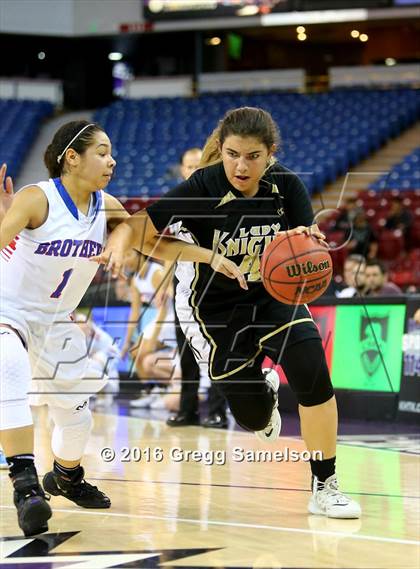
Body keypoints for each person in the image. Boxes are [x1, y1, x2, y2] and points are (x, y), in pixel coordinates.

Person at [94, 107, 361, 519]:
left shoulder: (285, 184)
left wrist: (308, 243)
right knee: (252, 416)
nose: (241, 165)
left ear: (269, 153)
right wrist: (132, 243)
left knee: (313, 374)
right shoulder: (203, 185)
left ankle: (325, 484)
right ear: (221, 150)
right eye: (233, 154)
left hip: (273, 295)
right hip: (214, 307)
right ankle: (262, 393)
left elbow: (310, 243)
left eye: (253, 156)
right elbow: (140, 229)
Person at [0, 121, 129, 537]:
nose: (112, 160)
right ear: (71, 157)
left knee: (77, 422)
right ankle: (25, 487)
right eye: (103, 152)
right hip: (10, 310)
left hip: (57, 321)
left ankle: (66, 477)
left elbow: (137, 229)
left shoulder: (105, 204)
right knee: (9, 370)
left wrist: (124, 239)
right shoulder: (37, 197)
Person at [167, 147, 228, 428]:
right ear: (182, 170)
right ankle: (187, 409)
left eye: (198, 165)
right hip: (184, 285)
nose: (193, 170)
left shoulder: (219, 199)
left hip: (216, 286)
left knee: (219, 350)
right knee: (186, 351)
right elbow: (170, 247)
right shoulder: (176, 201)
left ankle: (217, 411)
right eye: (189, 166)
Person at [74, 311, 121, 408]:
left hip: (108, 351)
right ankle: (105, 389)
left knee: (90, 367)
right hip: (100, 354)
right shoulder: (73, 321)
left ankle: (108, 387)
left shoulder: (80, 320)